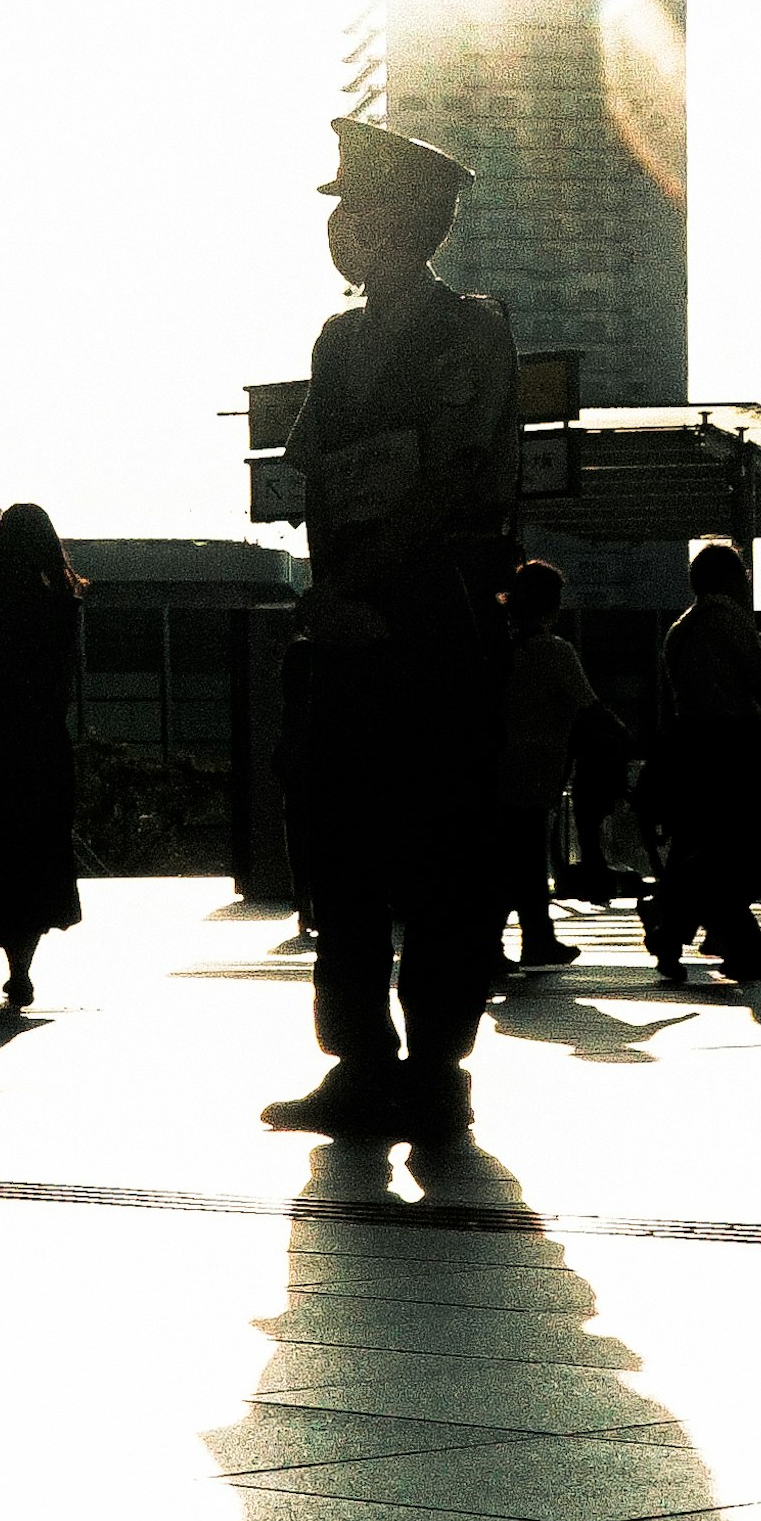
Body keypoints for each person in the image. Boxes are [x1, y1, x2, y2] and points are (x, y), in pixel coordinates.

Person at [268, 117, 521, 1139]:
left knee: (441, 847)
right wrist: (330, 593)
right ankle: (360, 1057)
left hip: (434, 617)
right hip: (352, 626)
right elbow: (314, 475)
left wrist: (364, 582)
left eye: (360, 208)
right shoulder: (338, 341)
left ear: (411, 220)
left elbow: (458, 478)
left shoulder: (469, 329)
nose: (344, 227)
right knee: (345, 849)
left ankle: (435, 1065)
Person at [0, 502, 85, 1009]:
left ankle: (6, 955)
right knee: (38, 847)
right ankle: (22, 968)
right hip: (43, 741)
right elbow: (66, 684)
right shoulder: (63, 608)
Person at [646, 542, 761, 989]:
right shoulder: (730, 620)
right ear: (729, 578)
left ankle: (687, 928)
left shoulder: (679, 628)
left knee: (705, 844)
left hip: (691, 744)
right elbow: (759, 680)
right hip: (732, 744)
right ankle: (686, 925)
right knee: (737, 849)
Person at [492, 557, 600, 977]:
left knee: (516, 857)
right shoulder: (554, 651)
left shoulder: (498, 648)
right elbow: (587, 707)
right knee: (523, 857)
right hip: (534, 771)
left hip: (497, 768)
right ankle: (526, 939)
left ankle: (532, 937)